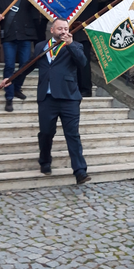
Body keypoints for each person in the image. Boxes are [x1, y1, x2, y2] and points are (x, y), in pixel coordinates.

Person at [22, 17, 91, 184]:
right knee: (46, 133)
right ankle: (45, 161)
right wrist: (10, 80)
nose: (63, 31)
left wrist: (71, 44)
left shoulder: (75, 46)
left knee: (72, 135)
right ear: (52, 30)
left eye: (66, 28)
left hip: (69, 98)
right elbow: (28, 66)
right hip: (47, 98)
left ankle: (80, 171)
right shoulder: (41, 47)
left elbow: (82, 62)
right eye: (60, 29)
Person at [0, 0, 43, 112]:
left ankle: (16, 88)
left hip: (25, 35)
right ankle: (9, 97)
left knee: (25, 66)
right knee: (9, 65)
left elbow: (41, 2)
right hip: (8, 36)